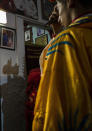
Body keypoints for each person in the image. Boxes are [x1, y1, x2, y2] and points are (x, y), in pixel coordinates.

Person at [32, 0, 92, 130]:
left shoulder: (65, 42)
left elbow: (52, 113)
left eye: (58, 6)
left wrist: (60, 36)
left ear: (70, 2)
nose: (58, 15)